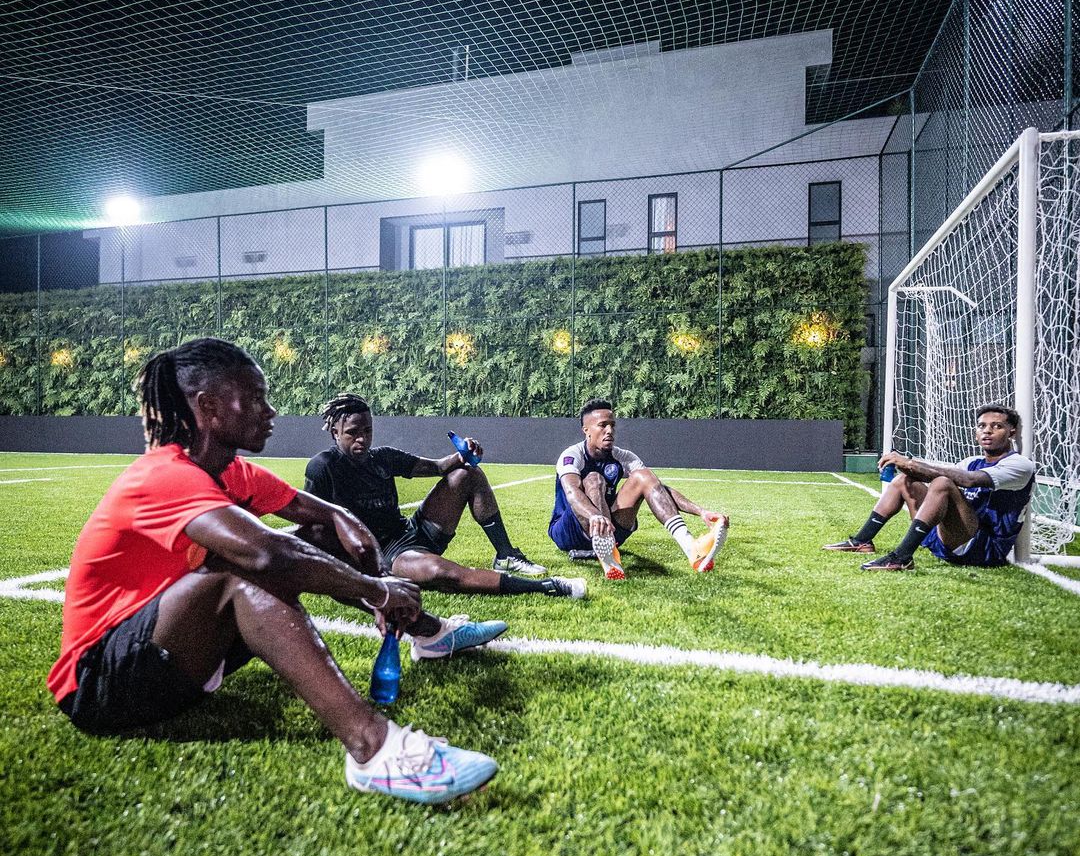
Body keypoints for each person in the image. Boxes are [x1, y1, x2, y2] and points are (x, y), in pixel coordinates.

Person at [47, 338, 505, 805]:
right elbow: (269, 557)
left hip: (179, 663)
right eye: (253, 398)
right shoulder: (162, 476)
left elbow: (332, 519)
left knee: (314, 540)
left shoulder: (234, 473)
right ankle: (377, 751)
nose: (269, 411)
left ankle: (429, 635)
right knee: (244, 573)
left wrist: (362, 556)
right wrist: (378, 590)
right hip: (100, 684)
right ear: (207, 407)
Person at [304, 394, 586, 599]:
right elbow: (311, 525)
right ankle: (549, 586)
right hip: (385, 555)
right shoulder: (323, 467)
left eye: (367, 431)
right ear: (334, 431)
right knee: (445, 575)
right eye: (353, 432)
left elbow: (438, 467)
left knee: (467, 473)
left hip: (411, 532)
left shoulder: (383, 457)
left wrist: (463, 454)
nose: (362, 439)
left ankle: (506, 555)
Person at [823, 403, 1035, 571]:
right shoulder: (972, 460)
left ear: (1012, 432)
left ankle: (901, 557)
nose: (987, 431)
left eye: (997, 426)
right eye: (982, 426)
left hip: (981, 548)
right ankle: (862, 541)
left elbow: (968, 480)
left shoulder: (1019, 465)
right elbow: (937, 476)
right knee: (904, 481)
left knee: (943, 482)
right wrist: (904, 467)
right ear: (976, 432)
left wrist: (911, 463)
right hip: (947, 540)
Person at [548, 398, 729, 579]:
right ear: (586, 430)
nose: (609, 430)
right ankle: (608, 554)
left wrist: (701, 511)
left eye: (612, 425)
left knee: (644, 476)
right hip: (570, 531)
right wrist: (594, 516)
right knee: (594, 479)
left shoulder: (623, 456)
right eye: (602, 425)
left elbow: (658, 489)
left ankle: (691, 547)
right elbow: (572, 493)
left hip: (610, 529)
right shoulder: (572, 455)